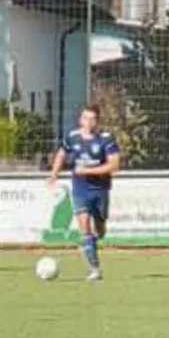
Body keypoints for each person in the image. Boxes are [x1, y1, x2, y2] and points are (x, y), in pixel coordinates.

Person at [48, 105, 121, 281]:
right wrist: (54, 174)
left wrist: (88, 171)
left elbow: (114, 165)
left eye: (93, 119)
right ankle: (94, 268)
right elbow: (61, 154)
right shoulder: (72, 137)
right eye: (85, 118)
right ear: (80, 120)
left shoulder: (106, 139)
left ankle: (92, 241)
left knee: (100, 228)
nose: (88, 122)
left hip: (100, 190)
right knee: (84, 226)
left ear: (98, 121)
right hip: (80, 189)